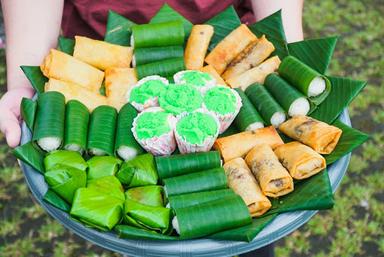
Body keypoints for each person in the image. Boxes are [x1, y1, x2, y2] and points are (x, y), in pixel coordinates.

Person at [0, 0, 303, 255]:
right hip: (104, 51)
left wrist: (293, 63)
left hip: (225, 46)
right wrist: (26, 82)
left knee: (245, 239)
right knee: (136, 239)